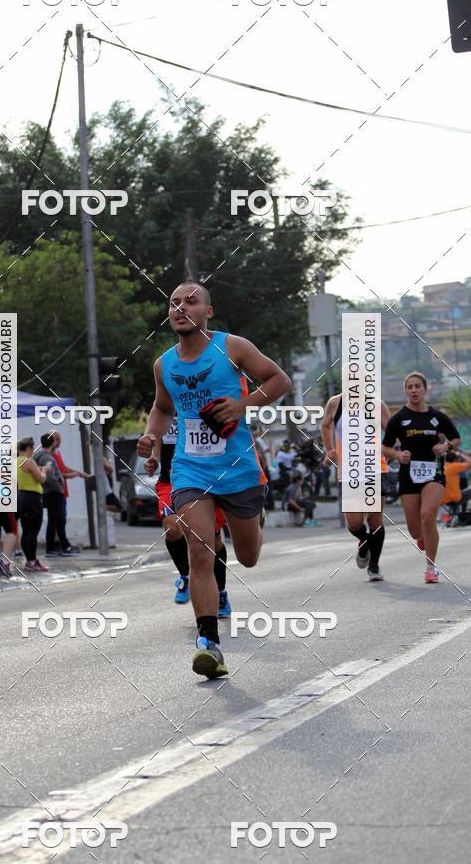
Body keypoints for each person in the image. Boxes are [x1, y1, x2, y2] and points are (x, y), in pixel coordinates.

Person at [138, 281, 291, 679]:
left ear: (208, 310)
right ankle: (208, 644)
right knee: (199, 551)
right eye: (174, 303)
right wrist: (153, 439)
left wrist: (244, 405)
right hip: (191, 468)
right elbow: (161, 406)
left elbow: (279, 380)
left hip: (238, 468)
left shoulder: (233, 347)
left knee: (249, 557)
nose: (181, 307)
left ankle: (238, 529)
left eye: (191, 301)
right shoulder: (164, 363)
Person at [144, 416, 231, 616]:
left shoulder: (201, 404)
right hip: (171, 480)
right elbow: (156, 435)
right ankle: (185, 575)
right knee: (171, 526)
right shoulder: (163, 406)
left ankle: (221, 592)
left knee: (214, 541)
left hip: (205, 481)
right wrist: (154, 459)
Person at [382, 372, 460, 583]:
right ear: (406, 391)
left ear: (426, 389)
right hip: (408, 476)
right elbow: (384, 447)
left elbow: (455, 438)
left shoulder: (438, 417)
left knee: (428, 516)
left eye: (418, 386)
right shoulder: (398, 418)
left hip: (434, 472)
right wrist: (398, 454)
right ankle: (422, 537)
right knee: (416, 530)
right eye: (410, 387)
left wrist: (445, 446)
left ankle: (430, 567)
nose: (414, 390)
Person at [322, 394, 391, 581]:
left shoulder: (377, 404)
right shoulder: (335, 403)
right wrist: (329, 450)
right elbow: (326, 424)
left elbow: (391, 430)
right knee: (354, 522)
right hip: (349, 473)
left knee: (375, 519)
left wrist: (392, 450)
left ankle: (374, 566)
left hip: (375, 469)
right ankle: (365, 542)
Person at [34, 433, 77, 557]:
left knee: (55, 521)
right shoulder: (47, 458)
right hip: (53, 493)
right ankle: (56, 548)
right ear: (52, 443)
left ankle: (59, 547)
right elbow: (51, 478)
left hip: (49, 493)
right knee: (57, 521)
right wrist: (60, 489)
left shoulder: (39, 456)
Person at [16, 437, 49, 572]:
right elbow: (40, 479)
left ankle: (29, 560)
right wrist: (44, 471)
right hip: (33, 498)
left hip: (22, 496)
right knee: (33, 531)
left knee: (26, 530)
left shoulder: (17, 461)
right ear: (29, 448)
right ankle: (32, 560)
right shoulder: (29, 461)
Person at [51, 431, 86, 550]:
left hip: (63, 490)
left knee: (61, 518)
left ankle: (58, 542)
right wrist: (73, 475)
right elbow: (58, 474)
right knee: (58, 520)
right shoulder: (50, 456)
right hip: (56, 491)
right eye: (58, 440)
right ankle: (59, 544)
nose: (60, 442)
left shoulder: (57, 453)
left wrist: (79, 473)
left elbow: (64, 468)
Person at [442, 449, 471, 521]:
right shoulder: (454, 466)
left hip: (444, 500)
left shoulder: (442, 467)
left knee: (458, 493)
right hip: (455, 498)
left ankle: (455, 517)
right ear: (455, 460)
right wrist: (460, 454)